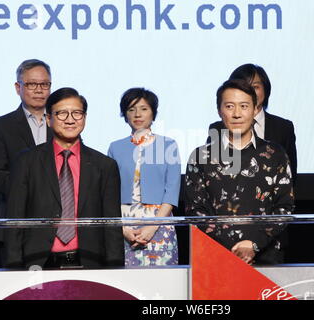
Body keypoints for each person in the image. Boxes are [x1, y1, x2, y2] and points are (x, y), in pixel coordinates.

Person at [4, 87, 124, 269]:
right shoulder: (27, 161)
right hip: (38, 262)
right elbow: (15, 218)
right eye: (61, 114)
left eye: (77, 113)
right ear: (48, 119)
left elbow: (112, 226)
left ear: (84, 118)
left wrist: (115, 269)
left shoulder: (104, 165)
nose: (70, 120)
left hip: (90, 262)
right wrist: (14, 267)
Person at [185, 79, 294, 265]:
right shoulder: (201, 156)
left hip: (265, 257)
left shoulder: (275, 154)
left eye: (244, 106)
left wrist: (253, 244)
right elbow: (196, 212)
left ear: (254, 110)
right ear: (220, 111)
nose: (237, 114)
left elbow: (283, 208)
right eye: (229, 106)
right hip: (216, 259)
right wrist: (233, 250)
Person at [0, 59, 54, 259]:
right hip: (18, 225)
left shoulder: (63, 122)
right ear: (18, 87)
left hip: (60, 228)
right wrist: (34, 195)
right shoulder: (1, 126)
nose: (39, 90)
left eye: (45, 84)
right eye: (32, 84)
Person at [108, 88, 181, 267]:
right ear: (125, 115)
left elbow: (172, 191)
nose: (137, 114)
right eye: (131, 109)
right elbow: (109, 192)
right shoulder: (115, 147)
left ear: (153, 113)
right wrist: (123, 228)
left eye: (143, 109)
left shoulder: (168, 145)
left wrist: (152, 226)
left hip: (159, 220)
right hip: (125, 221)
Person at [208, 63, 297, 184]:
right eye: (243, 87)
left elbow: (290, 176)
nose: (249, 92)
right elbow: (211, 174)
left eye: (255, 87)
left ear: (266, 89)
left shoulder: (283, 128)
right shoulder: (218, 128)